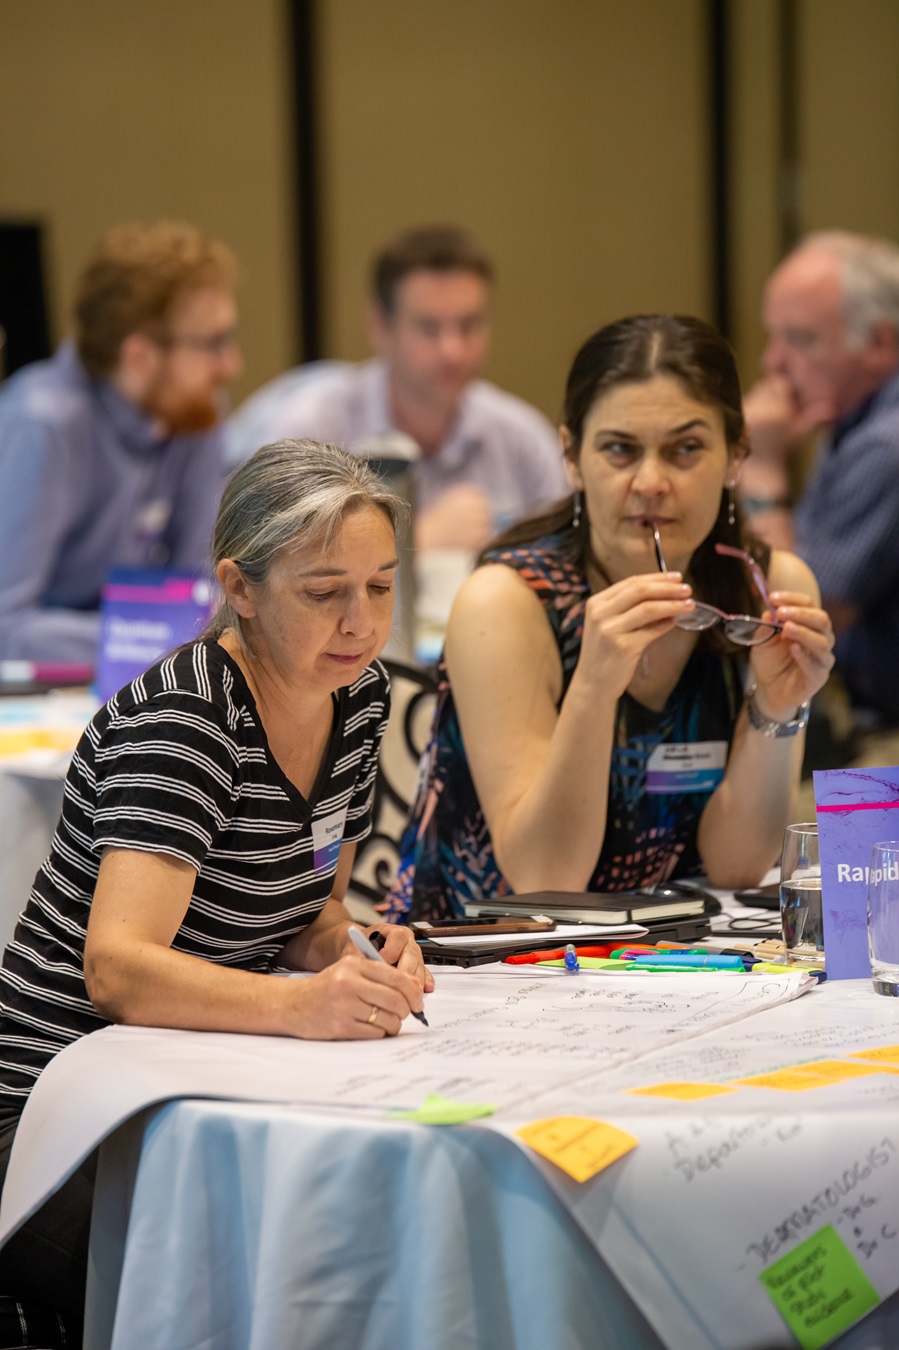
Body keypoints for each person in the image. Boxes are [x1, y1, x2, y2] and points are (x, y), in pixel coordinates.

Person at [0, 439, 431, 1342]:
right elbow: (118, 971)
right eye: (324, 593)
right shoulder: (187, 719)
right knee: (278, 1279)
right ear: (239, 588)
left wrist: (354, 953)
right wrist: (305, 1006)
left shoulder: (355, 699)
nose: (359, 622)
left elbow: (306, 911)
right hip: (50, 1120)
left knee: (365, 1238)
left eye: (381, 588)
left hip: (188, 1080)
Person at [383, 315, 835, 923]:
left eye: (686, 449)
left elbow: (740, 867)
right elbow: (545, 878)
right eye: (620, 450)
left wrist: (775, 710)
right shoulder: (508, 601)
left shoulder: (769, 591)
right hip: (481, 966)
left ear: (736, 456)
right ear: (571, 457)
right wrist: (595, 685)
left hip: (669, 959)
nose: (650, 483)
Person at [225, 225, 569, 554]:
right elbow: (260, 568)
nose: (453, 350)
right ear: (380, 326)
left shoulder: (522, 438)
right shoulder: (310, 430)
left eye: (469, 325)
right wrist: (417, 540)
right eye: (428, 327)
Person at [0, 220, 243, 667]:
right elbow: (5, 626)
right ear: (138, 357)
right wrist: (153, 637)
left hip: (133, 673)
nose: (231, 365)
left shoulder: (192, 410)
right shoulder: (42, 425)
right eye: (214, 343)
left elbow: (198, 590)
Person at [741, 231, 899, 723]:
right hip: (868, 721)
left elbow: (800, 620)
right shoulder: (853, 417)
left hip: (889, 741)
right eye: (774, 335)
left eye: (801, 339)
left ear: (879, 343)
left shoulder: (886, 444)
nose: (774, 363)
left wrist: (763, 475)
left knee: (806, 803)